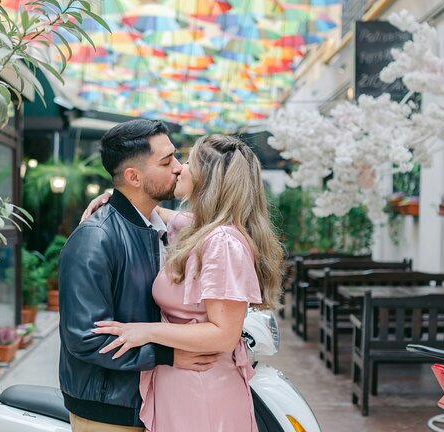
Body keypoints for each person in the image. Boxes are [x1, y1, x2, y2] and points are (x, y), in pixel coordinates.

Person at [93, 135, 284, 432]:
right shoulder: (198, 229)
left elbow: (223, 335)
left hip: (203, 390)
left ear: (206, 179)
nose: (180, 168)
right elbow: (157, 212)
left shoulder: (223, 242)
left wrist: (145, 332)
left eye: (188, 162)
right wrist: (114, 194)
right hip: (183, 383)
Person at [59, 119, 221, 432]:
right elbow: (85, 338)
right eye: (166, 161)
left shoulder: (157, 228)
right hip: (109, 410)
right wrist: (169, 354)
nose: (178, 167)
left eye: (176, 156)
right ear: (134, 176)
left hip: (149, 399)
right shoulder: (94, 238)